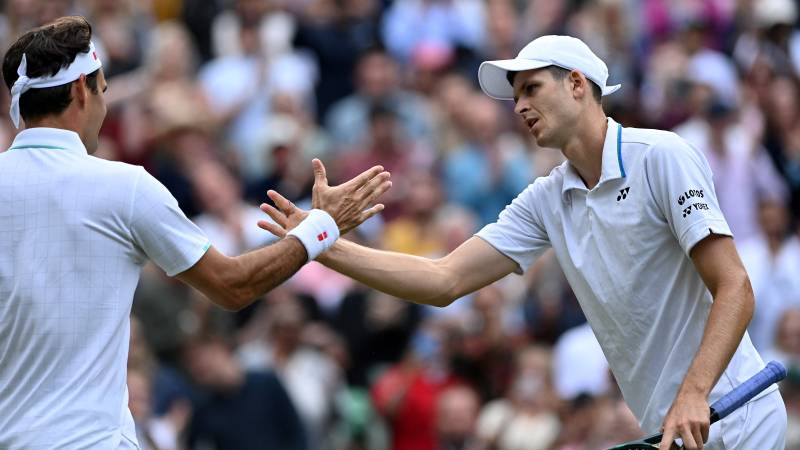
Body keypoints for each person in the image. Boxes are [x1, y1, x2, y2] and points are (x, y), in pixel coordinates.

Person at [259, 35, 787, 449]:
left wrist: (694, 393)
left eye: (531, 89)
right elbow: (443, 280)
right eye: (515, 97)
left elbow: (735, 286)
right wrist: (319, 240)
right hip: (676, 432)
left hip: (739, 416)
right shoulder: (545, 199)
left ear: (577, 84)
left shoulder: (663, 156)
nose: (519, 107)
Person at [0, 16, 390, 449]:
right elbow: (232, 285)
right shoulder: (125, 187)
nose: (105, 107)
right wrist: (323, 225)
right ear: (79, 91)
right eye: (102, 91)